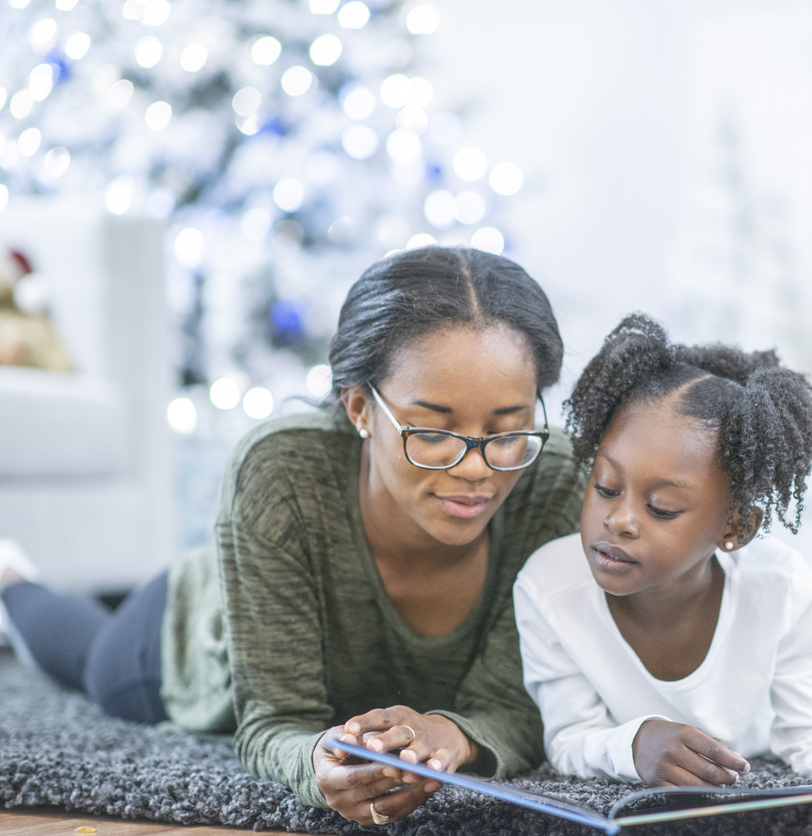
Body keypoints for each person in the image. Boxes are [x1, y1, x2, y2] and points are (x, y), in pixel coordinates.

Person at [0, 247, 585, 826]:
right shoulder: (279, 469)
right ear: (359, 407)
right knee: (91, 664)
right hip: (185, 634)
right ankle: (13, 581)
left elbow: (519, 702)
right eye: (434, 430)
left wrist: (452, 736)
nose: (477, 469)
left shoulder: (552, 478)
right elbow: (274, 719)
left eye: (508, 429)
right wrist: (314, 762)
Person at [511, 313, 812, 788]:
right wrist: (634, 744)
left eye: (662, 508)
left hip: (753, 750)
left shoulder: (780, 588)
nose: (619, 520)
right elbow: (570, 736)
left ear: (736, 528)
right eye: (606, 487)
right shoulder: (549, 586)